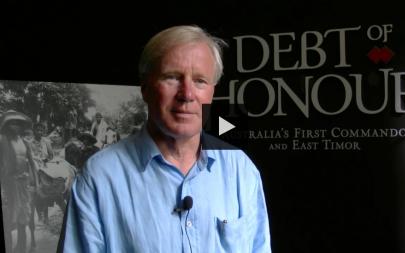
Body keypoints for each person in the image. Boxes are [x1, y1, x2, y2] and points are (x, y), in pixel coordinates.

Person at [60, 25, 271, 252]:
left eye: (200, 81)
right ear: (145, 87)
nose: (187, 94)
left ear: (212, 91)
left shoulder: (241, 170)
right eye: (172, 77)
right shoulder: (99, 177)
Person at [0, 110, 38, 252]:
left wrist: (36, 182)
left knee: (24, 214)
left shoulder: (24, 141)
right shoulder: (2, 139)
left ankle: (21, 246)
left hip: (24, 183)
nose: (15, 126)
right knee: (8, 217)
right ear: (7, 125)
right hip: (8, 183)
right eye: (12, 123)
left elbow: (32, 162)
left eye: (18, 123)